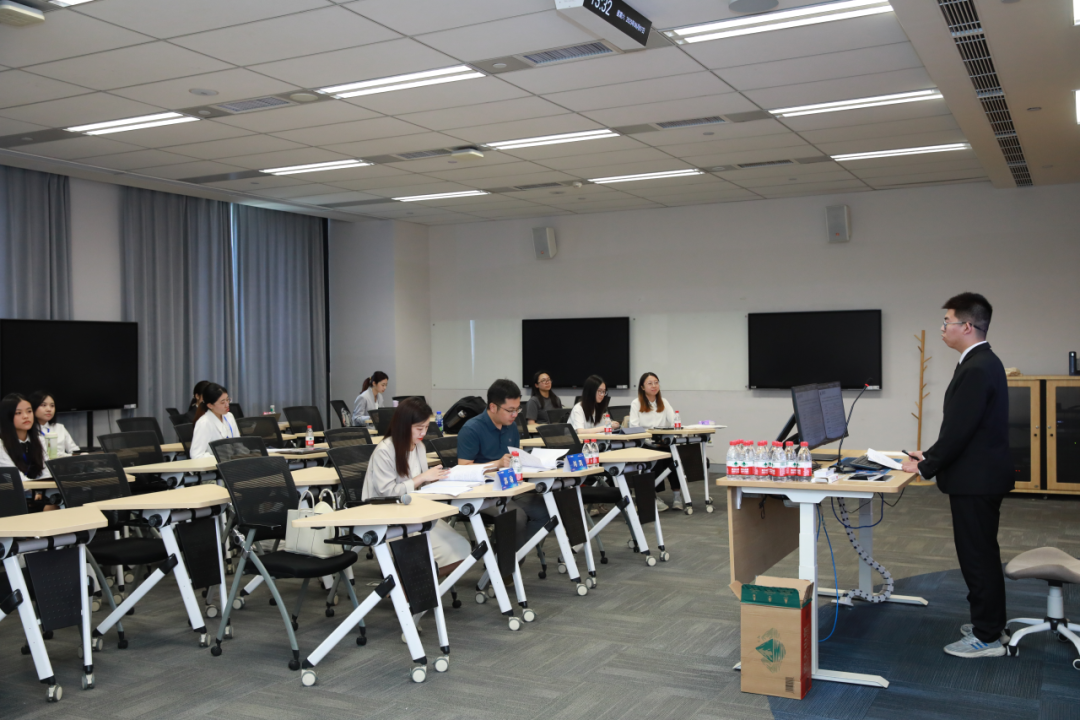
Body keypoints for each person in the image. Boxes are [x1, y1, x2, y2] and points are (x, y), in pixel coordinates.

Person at [901, 293, 1013, 659]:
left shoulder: (977, 368)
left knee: (977, 557)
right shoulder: (982, 361)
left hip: (977, 480)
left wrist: (925, 466)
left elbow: (960, 430)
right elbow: (965, 428)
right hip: (981, 475)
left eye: (947, 322)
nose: (942, 328)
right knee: (982, 553)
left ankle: (987, 636)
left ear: (966, 326)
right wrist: (931, 454)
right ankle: (991, 624)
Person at [364, 397, 469, 576]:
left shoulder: (418, 446)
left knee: (462, 548)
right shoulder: (385, 450)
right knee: (441, 553)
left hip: (414, 514)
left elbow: (421, 484)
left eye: (426, 427)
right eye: (419, 428)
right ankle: (408, 585)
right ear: (404, 426)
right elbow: (387, 493)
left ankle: (414, 583)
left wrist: (439, 480)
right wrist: (422, 478)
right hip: (388, 518)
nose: (423, 433)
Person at [457, 379, 548, 538]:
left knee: (548, 511)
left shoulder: (511, 426)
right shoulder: (472, 429)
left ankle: (511, 550)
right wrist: (497, 464)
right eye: (510, 410)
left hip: (510, 487)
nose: (515, 415)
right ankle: (505, 552)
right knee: (515, 518)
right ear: (493, 407)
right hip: (482, 493)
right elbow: (463, 467)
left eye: (517, 409)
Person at [630, 372, 680, 511]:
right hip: (645, 443)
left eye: (656, 382)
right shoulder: (636, 403)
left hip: (661, 441)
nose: (654, 386)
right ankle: (653, 495)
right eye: (650, 383)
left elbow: (674, 421)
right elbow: (634, 427)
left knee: (674, 455)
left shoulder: (663, 402)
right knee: (655, 455)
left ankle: (677, 495)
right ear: (642, 387)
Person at [1, 393, 56, 511]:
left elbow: (46, 472)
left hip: (35, 494)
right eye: (18, 413)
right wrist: (38, 493)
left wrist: (42, 492)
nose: (26, 416)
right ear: (7, 417)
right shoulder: (1, 444)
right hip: (10, 497)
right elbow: (15, 478)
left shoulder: (38, 439)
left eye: (29, 411)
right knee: (52, 508)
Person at [189, 383, 238, 459]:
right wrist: (219, 458)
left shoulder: (229, 416)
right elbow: (196, 455)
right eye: (222, 402)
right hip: (215, 464)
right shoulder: (204, 423)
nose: (227, 404)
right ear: (210, 405)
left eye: (228, 400)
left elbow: (238, 444)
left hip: (233, 461)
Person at [30, 390, 80, 458]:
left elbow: (74, 450)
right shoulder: (28, 430)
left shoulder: (59, 427)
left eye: (52, 406)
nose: (49, 409)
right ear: (33, 407)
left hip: (62, 463)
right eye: (43, 405)